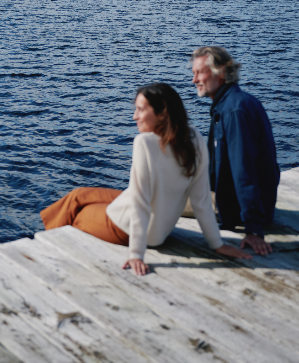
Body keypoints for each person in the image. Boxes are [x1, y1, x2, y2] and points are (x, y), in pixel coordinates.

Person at [41, 83, 251, 275]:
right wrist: (217, 244)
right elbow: (201, 200)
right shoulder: (194, 137)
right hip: (159, 229)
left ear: (162, 114)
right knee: (78, 194)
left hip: (122, 227)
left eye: (141, 110)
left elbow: (141, 205)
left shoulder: (145, 143)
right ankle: (47, 236)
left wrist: (136, 255)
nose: (135, 116)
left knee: (75, 210)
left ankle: (45, 249)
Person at [191, 46, 280, 256]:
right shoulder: (230, 103)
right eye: (193, 73)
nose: (194, 80)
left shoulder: (234, 111)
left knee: (157, 198)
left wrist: (253, 229)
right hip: (234, 201)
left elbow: (244, 170)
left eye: (200, 72)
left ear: (221, 72)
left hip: (235, 209)